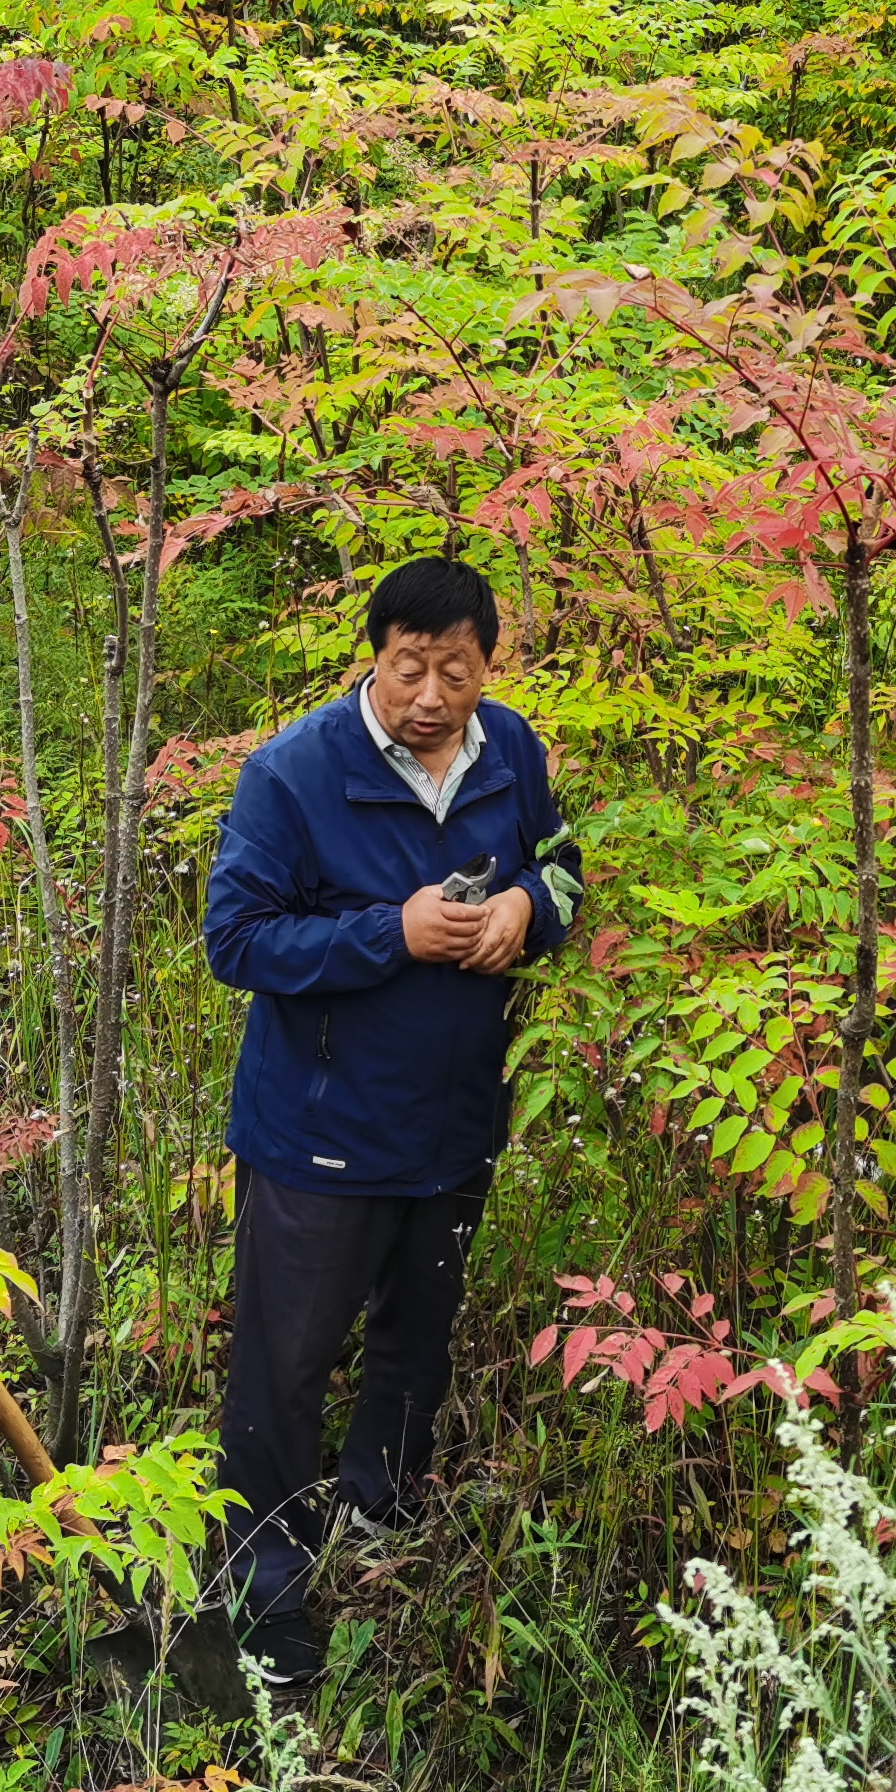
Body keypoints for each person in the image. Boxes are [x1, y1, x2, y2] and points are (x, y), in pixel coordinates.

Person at [200, 557, 584, 1688]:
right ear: (373, 657)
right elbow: (237, 942)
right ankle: (263, 1597)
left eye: (452, 670)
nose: (429, 694)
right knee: (285, 1365)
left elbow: (563, 867)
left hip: (458, 1116)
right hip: (322, 1129)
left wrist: (525, 905)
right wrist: (390, 934)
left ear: (487, 668)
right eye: (407, 666)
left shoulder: (508, 751)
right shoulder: (294, 775)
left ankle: (382, 1516)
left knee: (418, 1340)